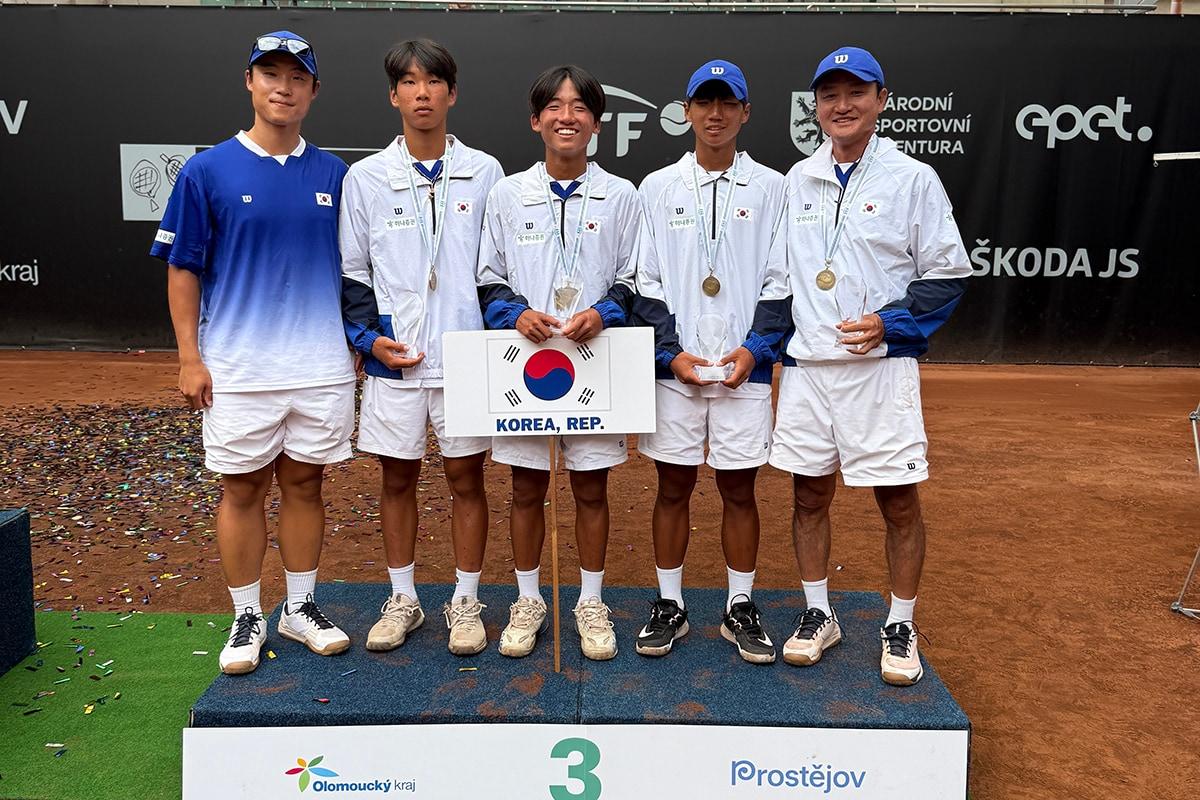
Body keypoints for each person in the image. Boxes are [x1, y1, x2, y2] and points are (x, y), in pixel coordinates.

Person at [151, 31, 355, 675]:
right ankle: (246, 613)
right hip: (239, 365)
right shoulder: (207, 170)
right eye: (271, 74)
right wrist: (189, 357)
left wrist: (355, 341)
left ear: (314, 91)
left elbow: (355, 271)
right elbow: (182, 268)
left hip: (319, 366)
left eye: (297, 78)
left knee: (305, 483)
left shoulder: (335, 173)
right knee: (242, 489)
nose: (283, 87)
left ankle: (299, 607)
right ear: (249, 82)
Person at [770, 47, 970, 685]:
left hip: (880, 369)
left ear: (881, 100)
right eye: (830, 94)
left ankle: (901, 621)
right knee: (808, 495)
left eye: (856, 92)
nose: (842, 105)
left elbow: (947, 273)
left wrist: (891, 323)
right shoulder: (795, 181)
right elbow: (779, 280)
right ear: (816, 106)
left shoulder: (913, 179)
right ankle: (818, 613)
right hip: (807, 371)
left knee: (898, 501)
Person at [340, 39, 504, 657]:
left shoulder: (485, 172)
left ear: (451, 92)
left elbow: (494, 268)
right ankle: (403, 597)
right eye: (408, 83)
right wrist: (368, 339)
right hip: (397, 357)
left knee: (468, 478)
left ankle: (466, 600)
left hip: (466, 359)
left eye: (433, 82)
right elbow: (353, 271)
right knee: (397, 477)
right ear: (394, 95)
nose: (422, 93)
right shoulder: (366, 178)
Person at [476, 65, 639, 661]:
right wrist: (515, 313)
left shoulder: (623, 195)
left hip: (594, 359)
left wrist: (604, 312)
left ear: (597, 122)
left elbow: (633, 279)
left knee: (591, 488)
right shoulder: (505, 194)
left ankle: (590, 603)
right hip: (528, 360)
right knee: (525, 487)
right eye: (554, 106)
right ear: (535, 119)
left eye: (579, 107)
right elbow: (488, 280)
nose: (565, 116)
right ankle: (528, 600)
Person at [631, 60, 790, 664]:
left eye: (728, 104)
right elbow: (645, 280)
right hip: (679, 369)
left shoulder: (773, 187)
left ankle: (739, 605)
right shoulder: (657, 187)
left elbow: (781, 279)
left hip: (743, 366)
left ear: (745, 111)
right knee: (672, 485)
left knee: (739, 488)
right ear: (687, 110)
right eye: (705, 103)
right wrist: (670, 355)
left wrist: (755, 349)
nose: (715, 114)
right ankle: (669, 602)